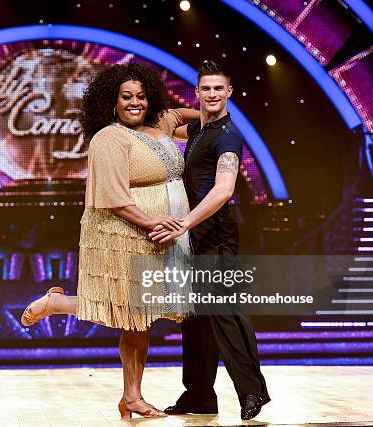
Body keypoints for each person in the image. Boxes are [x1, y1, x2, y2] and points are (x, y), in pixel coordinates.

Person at [20, 63, 199, 419]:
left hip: (162, 233)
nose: (135, 103)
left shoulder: (159, 124)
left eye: (141, 96)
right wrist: (152, 223)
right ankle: (131, 394)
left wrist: (214, 108)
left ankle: (127, 393)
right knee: (133, 316)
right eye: (126, 97)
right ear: (111, 101)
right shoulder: (109, 138)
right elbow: (114, 197)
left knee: (139, 316)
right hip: (124, 231)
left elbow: (186, 115)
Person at [149, 60, 270, 420]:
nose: (213, 94)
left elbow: (224, 189)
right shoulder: (199, 129)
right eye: (207, 89)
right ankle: (199, 395)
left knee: (226, 315)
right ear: (198, 92)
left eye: (220, 88)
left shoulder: (227, 137)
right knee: (195, 319)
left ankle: (252, 391)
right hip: (194, 238)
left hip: (215, 236)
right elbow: (165, 118)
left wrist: (184, 223)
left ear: (229, 93)